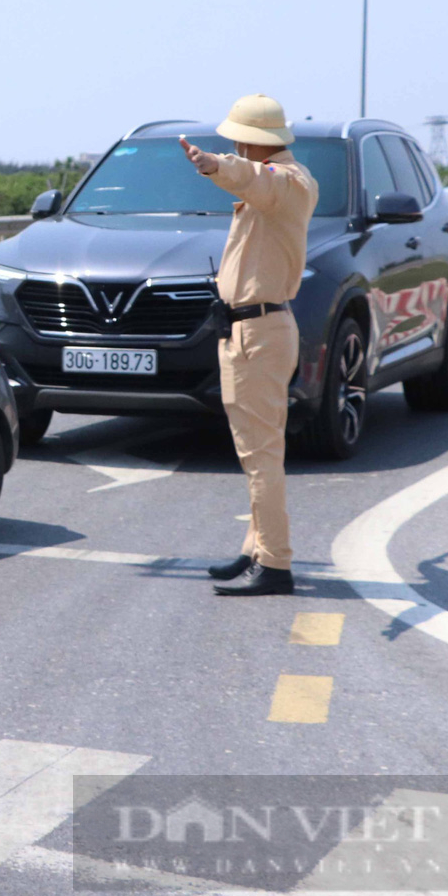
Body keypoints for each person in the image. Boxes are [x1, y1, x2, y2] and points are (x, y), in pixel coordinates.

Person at [178, 94, 318, 597]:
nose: (234, 144)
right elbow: (255, 182)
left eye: (238, 140)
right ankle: (255, 549)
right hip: (245, 329)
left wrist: (215, 164)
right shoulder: (273, 186)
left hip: (259, 332)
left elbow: (258, 180)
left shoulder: (288, 183)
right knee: (257, 451)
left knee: (260, 455)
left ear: (253, 143)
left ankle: (275, 564)